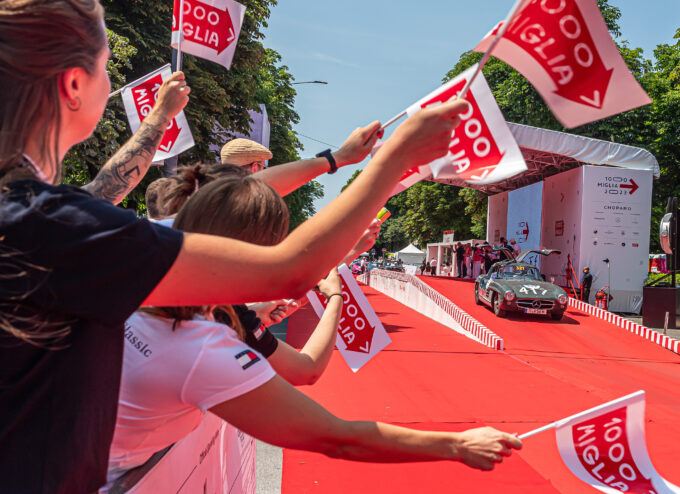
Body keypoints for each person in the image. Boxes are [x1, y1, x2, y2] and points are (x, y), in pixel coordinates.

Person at [0, 1, 476, 490]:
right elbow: (285, 269)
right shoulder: (57, 225)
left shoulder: (32, 212)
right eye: (104, 67)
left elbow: (120, 184)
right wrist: (392, 158)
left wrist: (334, 159)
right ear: (73, 85)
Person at [105, 176, 522, 489]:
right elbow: (336, 435)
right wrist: (458, 445)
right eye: (273, 251)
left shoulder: (131, 261)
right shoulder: (202, 347)